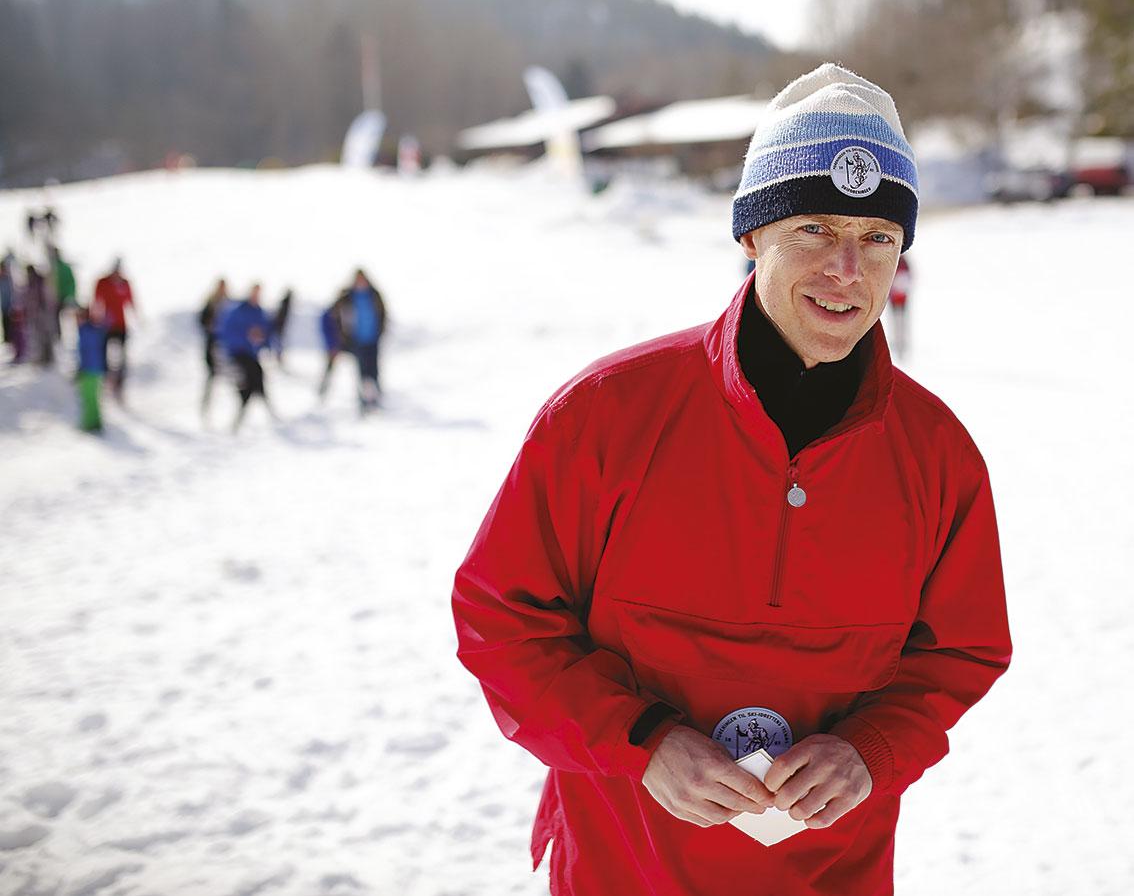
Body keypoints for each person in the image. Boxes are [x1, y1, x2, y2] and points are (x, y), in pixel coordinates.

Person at [452, 64, 1011, 896]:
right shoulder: (604, 417)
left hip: (833, 877)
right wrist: (639, 741)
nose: (849, 271)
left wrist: (872, 750)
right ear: (752, 236)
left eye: (877, 238)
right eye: (816, 230)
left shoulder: (938, 456)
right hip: (620, 870)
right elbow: (503, 623)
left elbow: (961, 650)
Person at [219, 283, 275, 430]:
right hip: (238, 353)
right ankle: (246, 418)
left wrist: (265, 343)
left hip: (252, 354)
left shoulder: (259, 312)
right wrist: (246, 337)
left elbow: (266, 332)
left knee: (257, 379)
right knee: (251, 381)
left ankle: (262, 415)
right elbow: (227, 333)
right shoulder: (237, 311)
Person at [339, 270, 386, 413]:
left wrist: (380, 331)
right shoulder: (348, 297)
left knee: (374, 371)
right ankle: (364, 402)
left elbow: (383, 313)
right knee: (362, 372)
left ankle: (375, 400)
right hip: (357, 340)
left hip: (372, 338)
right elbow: (337, 316)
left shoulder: (374, 295)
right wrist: (344, 337)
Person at [92, 258, 136, 398]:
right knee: (104, 352)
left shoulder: (124, 283)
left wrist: (137, 316)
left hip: (121, 325)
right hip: (106, 325)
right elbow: (96, 300)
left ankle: (120, 383)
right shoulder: (103, 282)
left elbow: (131, 301)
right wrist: (95, 317)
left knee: (122, 356)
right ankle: (105, 379)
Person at [198, 278, 231, 416]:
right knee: (211, 375)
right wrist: (210, 326)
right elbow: (202, 320)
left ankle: (226, 408)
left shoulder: (229, 303)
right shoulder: (210, 302)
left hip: (225, 343)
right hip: (212, 342)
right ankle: (206, 405)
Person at [75, 306, 107, 433]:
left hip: (90, 369)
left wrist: (81, 369)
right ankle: (95, 422)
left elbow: (88, 353)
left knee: (89, 398)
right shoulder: (91, 330)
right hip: (94, 368)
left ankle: (90, 423)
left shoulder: (87, 331)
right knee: (92, 397)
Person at [317, 290, 348, 400]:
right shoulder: (331, 312)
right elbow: (326, 330)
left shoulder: (347, 311)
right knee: (329, 370)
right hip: (333, 347)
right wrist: (332, 346)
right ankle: (322, 392)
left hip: (346, 345)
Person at [887, 253, 912, 359]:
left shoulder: (904, 264)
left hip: (902, 300)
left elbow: (909, 278)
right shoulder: (897, 263)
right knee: (896, 322)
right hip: (895, 300)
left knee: (901, 322)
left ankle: (902, 344)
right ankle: (898, 343)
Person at [271, 288, 293, 366]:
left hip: (280, 326)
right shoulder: (285, 304)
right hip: (279, 326)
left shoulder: (285, 303)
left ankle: (278, 357)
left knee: (279, 343)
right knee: (278, 343)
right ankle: (277, 357)